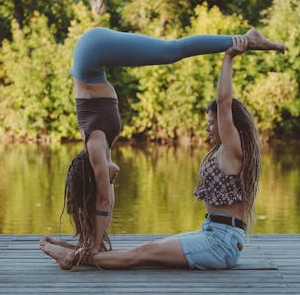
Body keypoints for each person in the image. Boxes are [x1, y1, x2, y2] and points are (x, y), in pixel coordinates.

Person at [40, 28, 285, 270]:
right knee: (143, 251)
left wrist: (229, 56)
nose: (208, 129)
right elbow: (105, 197)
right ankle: (80, 253)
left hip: (222, 243)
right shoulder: (224, 152)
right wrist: (89, 243)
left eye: (212, 123)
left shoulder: (233, 149)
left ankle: (74, 258)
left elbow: (224, 103)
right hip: (214, 234)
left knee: (140, 254)